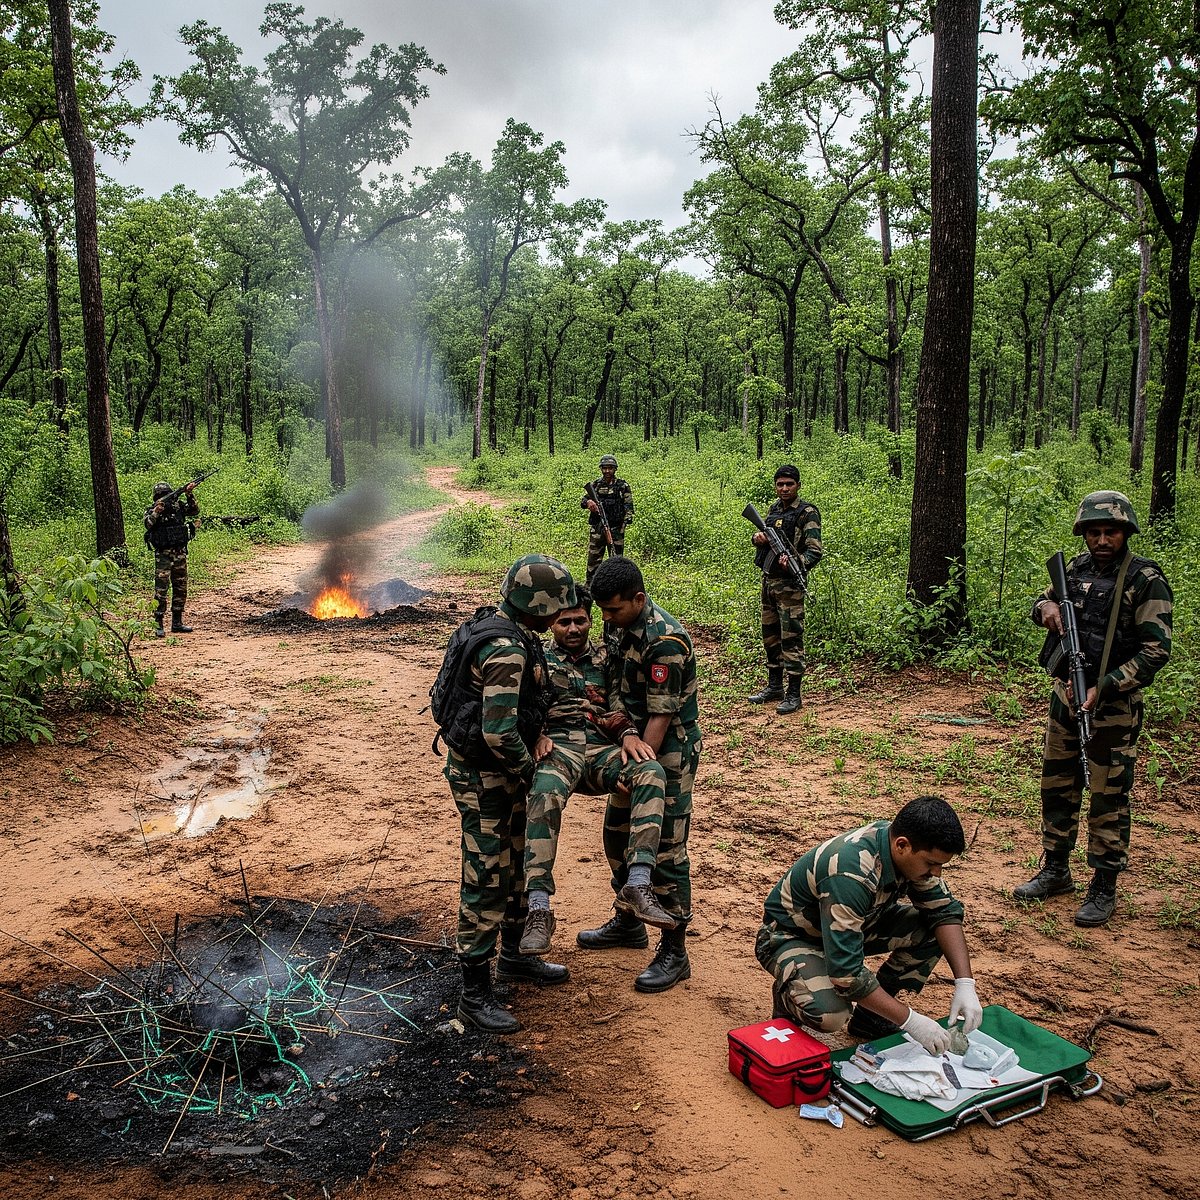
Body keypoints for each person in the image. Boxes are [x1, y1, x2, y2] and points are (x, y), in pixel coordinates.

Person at [1014, 491, 1173, 927]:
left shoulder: (1144, 580)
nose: (1102, 540)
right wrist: (1046, 608)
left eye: (1111, 532)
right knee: (1057, 784)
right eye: (1094, 532)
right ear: (1084, 534)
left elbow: (1156, 651)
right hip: (1066, 698)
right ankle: (1056, 869)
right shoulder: (1075, 570)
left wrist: (1105, 686)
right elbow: (1039, 603)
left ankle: (1104, 885)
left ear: (1126, 533)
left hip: (1113, 707)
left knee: (1108, 796)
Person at [445, 553, 578, 1034]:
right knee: (486, 876)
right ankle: (474, 994)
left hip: (499, 772)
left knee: (519, 862)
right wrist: (530, 772)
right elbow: (499, 732)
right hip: (485, 779)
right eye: (556, 607)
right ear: (537, 606)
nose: (561, 615)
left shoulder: (507, 629)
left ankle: (517, 957)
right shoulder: (506, 650)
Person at [755, 795, 983, 1053]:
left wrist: (965, 983)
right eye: (931, 864)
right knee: (830, 1014)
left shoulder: (906, 848)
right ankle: (790, 995)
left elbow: (944, 912)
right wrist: (910, 1020)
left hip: (854, 927)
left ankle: (871, 1018)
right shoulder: (851, 872)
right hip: (791, 938)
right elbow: (846, 973)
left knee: (933, 932)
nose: (936, 873)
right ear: (902, 845)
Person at [520, 587, 676, 955]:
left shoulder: (608, 657)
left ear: (590, 621)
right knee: (544, 791)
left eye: (580, 620)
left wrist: (629, 734)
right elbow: (524, 705)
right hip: (558, 747)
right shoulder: (538, 658)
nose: (573, 628)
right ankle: (538, 910)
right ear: (552, 624)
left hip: (601, 747)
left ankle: (638, 883)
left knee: (650, 771)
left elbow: (617, 703)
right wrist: (535, 734)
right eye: (565, 622)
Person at [581, 556, 701, 993]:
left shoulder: (665, 641)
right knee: (617, 835)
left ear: (638, 598)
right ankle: (629, 921)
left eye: (613, 609)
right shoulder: (619, 624)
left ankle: (674, 948)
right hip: (631, 742)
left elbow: (661, 716)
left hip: (666, 752)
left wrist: (638, 766)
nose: (606, 618)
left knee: (665, 849)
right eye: (602, 610)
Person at [747, 464, 822, 715]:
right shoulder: (774, 510)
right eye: (780, 484)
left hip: (790, 586)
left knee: (791, 638)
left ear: (798, 485)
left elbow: (814, 551)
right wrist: (758, 538)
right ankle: (775, 686)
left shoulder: (807, 512)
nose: (785, 488)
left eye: (789, 484)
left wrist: (794, 562)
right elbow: (762, 538)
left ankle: (794, 694)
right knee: (770, 636)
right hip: (769, 582)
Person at [144, 480, 200, 637]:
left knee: (180, 587)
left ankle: (177, 622)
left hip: (179, 552)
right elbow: (147, 524)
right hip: (163, 555)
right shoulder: (152, 510)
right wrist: (156, 511)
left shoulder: (178, 507)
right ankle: (158, 623)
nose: (164, 498)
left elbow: (194, 511)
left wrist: (189, 494)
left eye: (166, 494)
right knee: (161, 589)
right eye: (160, 495)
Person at [581, 454, 634, 585]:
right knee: (593, 562)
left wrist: (624, 525)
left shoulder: (622, 486)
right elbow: (583, 501)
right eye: (604, 468)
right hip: (598, 528)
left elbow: (628, 507)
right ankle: (590, 588)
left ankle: (616, 587)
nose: (607, 471)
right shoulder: (596, 485)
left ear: (615, 469)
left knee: (616, 561)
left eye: (610, 468)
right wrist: (589, 502)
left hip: (616, 529)